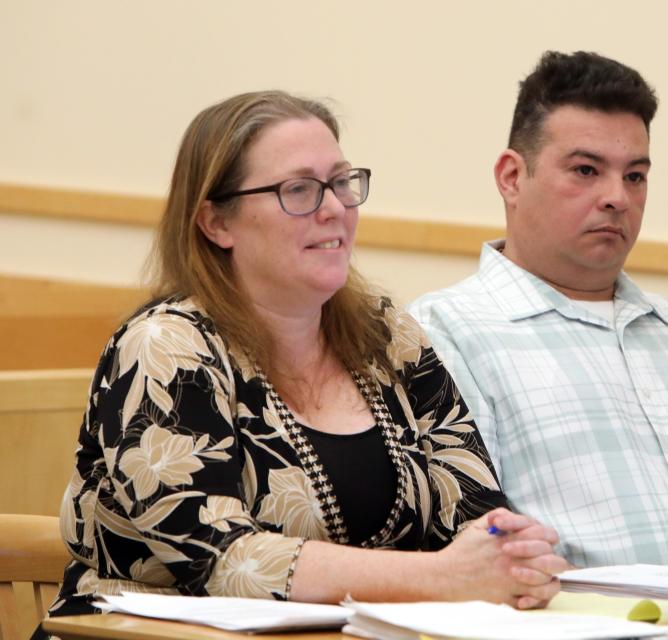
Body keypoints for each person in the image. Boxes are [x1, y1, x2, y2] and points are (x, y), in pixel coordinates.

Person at [48, 90, 567, 622]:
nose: (335, 208)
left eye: (342, 183)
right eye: (299, 189)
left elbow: (476, 511)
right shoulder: (165, 349)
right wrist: (442, 577)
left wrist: (512, 555)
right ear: (216, 223)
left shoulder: (388, 335)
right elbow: (223, 560)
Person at [409, 51, 668, 572]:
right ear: (512, 177)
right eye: (586, 170)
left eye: (635, 176)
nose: (617, 198)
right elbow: (478, 541)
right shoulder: (441, 334)